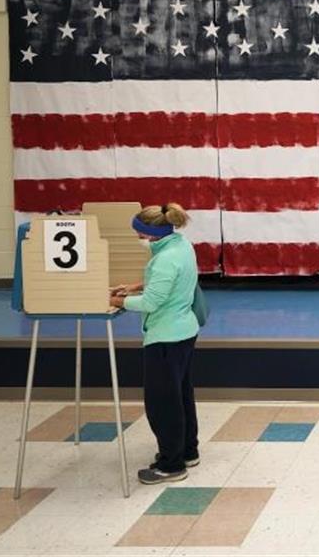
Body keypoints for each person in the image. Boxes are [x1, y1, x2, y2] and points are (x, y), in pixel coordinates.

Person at [109, 203, 201, 485]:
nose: (138, 240)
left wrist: (115, 300)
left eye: (139, 235)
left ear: (151, 235)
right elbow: (170, 282)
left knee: (163, 404)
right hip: (184, 332)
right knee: (181, 395)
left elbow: (151, 302)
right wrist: (136, 286)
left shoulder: (164, 259)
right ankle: (188, 451)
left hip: (165, 338)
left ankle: (171, 465)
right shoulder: (182, 245)